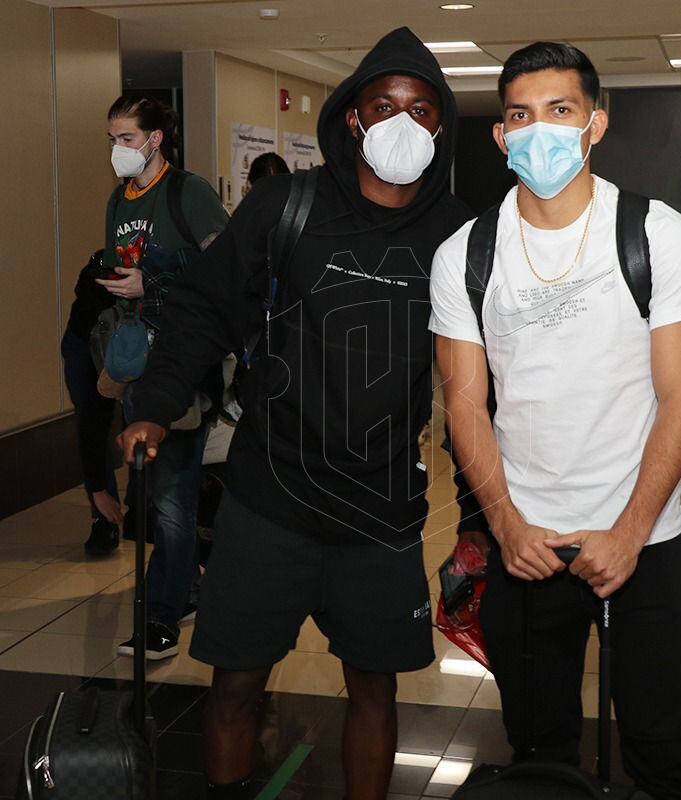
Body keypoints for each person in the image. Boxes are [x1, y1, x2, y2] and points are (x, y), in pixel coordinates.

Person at [118, 27, 473, 800]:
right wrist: (155, 404)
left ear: (441, 125)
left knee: (376, 692)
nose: (401, 125)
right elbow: (204, 310)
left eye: (420, 110)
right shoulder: (290, 207)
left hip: (381, 510)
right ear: (354, 117)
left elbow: (489, 371)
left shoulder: (458, 237)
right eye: (384, 106)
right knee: (236, 688)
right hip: (269, 498)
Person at [429, 42, 681, 800]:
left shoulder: (658, 235)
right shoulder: (467, 252)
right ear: (500, 136)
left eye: (560, 111)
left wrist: (628, 534)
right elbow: (464, 402)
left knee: (660, 751)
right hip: (525, 545)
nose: (539, 132)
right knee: (538, 752)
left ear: (596, 122)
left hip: (646, 544)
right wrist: (507, 526)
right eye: (520, 116)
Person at [99, 95, 229, 660]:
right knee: (154, 497)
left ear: (155, 140)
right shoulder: (117, 199)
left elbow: (226, 270)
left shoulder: (189, 193)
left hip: (184, 362)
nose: (116, 150)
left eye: (126, 138)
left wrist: (152, 282)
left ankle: (160, 616)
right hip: (138, 363)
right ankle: (190, 589)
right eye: (112, 138)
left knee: (172, 500)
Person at [61, 249, 123, 556]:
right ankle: (104, 519)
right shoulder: (93, 347)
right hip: (84, 343)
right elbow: (91, 424)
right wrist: (99, 491)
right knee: (94, 416)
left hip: (124, 339)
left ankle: (143, 505)